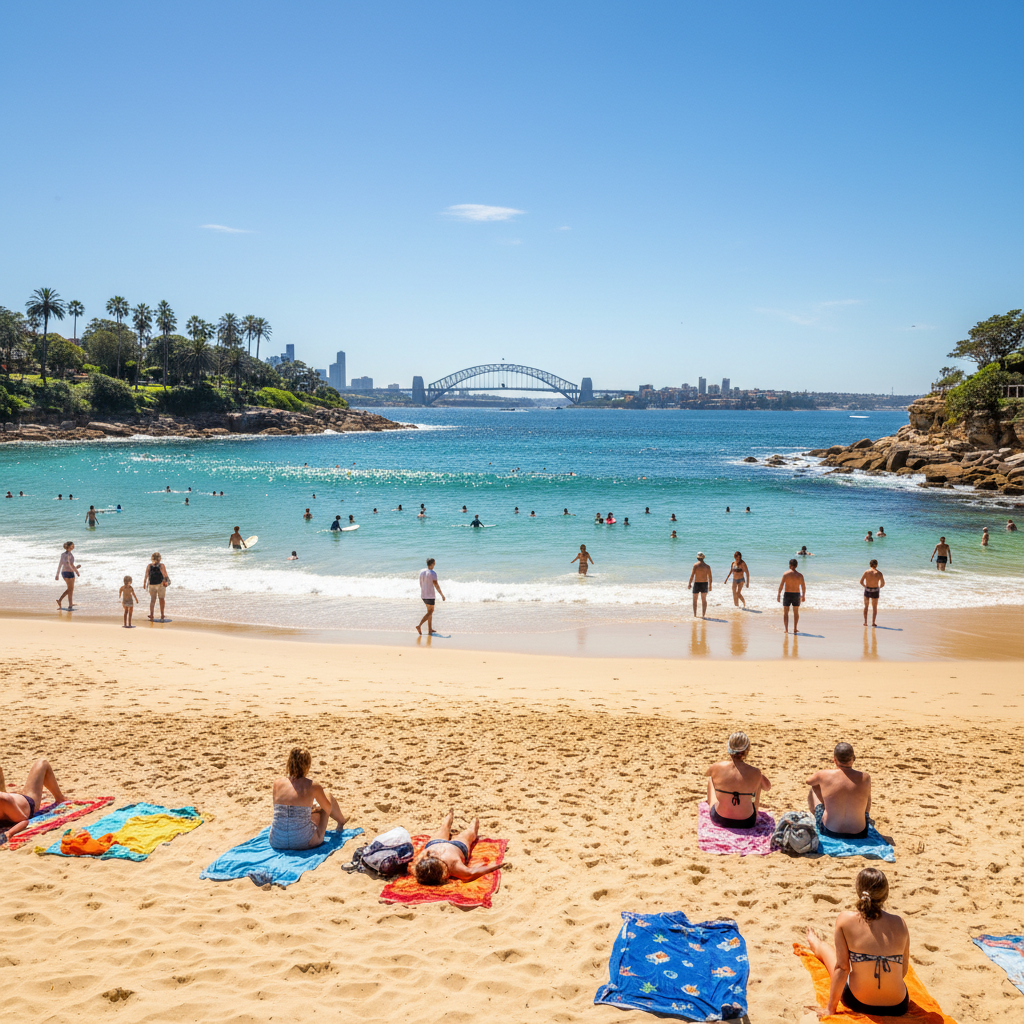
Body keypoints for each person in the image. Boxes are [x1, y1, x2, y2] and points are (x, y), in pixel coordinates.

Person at [805, 868, 910, 1017]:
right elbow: (903, 971)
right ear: (885, 895)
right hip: (898, 1006)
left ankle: (817, 944)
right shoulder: (901, 924)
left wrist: (830, 1009)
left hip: (859, 1001)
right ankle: (818, 944)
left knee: (831, 955)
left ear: (858, 891)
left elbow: (842, 968)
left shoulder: (845, 919)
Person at [268, 747, 347, 851]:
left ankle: (340, 820)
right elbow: (328, 809)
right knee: (326, 797)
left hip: (276, 841)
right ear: (307, 765)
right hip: (304, 842)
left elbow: (284, 811)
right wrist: (317, 810)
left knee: (300, 812)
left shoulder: (277, 783)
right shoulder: (313, 786)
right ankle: (341, 821)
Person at [410, 809, 502, 885]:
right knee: (444, 828)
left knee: (470, 833)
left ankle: (473, 820)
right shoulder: (421, 861)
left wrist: (494, 866)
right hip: (435, 844)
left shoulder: (452, 866)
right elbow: (470, 873)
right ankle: (452, 816)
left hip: (455, 847)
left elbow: (471, 873)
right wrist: (495, 866)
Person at [704, 731, 771, 829]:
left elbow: (707, 774)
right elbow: (767, 787)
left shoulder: (716, 767)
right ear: (747, 750)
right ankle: (756, 813)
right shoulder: (755, 772)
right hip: (747, 822)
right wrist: (758, 776)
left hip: (719, 818)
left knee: (711, 779)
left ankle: (710, 802)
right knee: (759, 782)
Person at [807, 742, 871, 838]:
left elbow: (808, 781)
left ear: (835, 760)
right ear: (853, 759)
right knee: (866, 792)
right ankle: (861, 817)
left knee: (815, 787)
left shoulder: (823, 775)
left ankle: (824, 813)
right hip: (860, 833)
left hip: (830, 831)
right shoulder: (865, 777)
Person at [0, 759, 66, 843]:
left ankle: (60, 798)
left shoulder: (5, 799)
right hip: (12, 803)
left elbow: (24, 821)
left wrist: (10, 833)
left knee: (42, 763)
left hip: (27, 803)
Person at [417, 558, 446, 635]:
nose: (434, 565)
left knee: (429, 612)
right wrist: (442, 595)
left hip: (423, 595)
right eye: (434, 564)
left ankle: (430, 629)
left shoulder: (421, 572)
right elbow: (436, 585)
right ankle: (419, 626)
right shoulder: (433, 573)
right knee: (431, 611)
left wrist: (424, 591)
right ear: (432, 564)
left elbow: (420, 584)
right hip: (430, 595)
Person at [777, 558, 806, 633]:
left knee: (786, 612)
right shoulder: (800, 575)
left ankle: (786, 629)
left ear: (790, 566)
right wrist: (803, 595)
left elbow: (781, 585)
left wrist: (778, 594)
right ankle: (795, 628)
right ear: (796, 565)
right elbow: (803, 586)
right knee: (796, 612)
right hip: (796, 594)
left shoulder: (786, 574)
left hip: (787, 594)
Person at [144, 552, 170, 621]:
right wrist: (168, 581)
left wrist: (144, 584)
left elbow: (146, 575)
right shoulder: (161, 565)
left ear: (152, 558)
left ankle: (152, 615)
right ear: (160, 558)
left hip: (151, 584)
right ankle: (162, 615)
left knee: (153, 600)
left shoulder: (149, 566)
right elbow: (165, 574)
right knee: (161, 599)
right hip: (160, 584)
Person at [55, 541, 79, 609]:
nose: (73, 546)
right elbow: (69, 565)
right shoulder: (69, 555)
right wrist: (76, 569)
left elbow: (60, 564)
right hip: (69, 573)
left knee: (70, 589)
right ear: (68, 547)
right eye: (72, 545)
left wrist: (57, 574)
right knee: (70, 589)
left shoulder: (63, 554)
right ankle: (60, 600)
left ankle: (70, 604)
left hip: (64, 573)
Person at [860, 559, 884, 626]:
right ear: (876, 565)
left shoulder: (866, 572)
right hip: (875, 591)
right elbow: (883, 584)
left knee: (866, 607)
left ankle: (865, 622)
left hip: (867, 590)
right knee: (874, 607)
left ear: (870, 565)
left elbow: (861, 582)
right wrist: (879, 587)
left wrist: (865, 586)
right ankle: (873, 623)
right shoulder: (879, 573)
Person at [688, 552, 712, 618]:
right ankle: (703, 615)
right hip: (704, 583)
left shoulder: (695, 565)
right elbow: (710, 577)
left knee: (695, 600)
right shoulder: (707, 566)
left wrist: (689, 583)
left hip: (697, 583)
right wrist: (710, 586)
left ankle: (695, 615)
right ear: (703, 558)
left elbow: (692, 575)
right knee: (704, 599)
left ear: (697, 557)